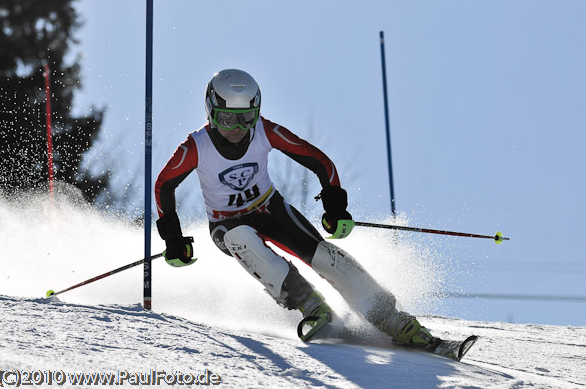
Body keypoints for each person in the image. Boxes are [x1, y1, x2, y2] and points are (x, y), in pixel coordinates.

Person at [154, 69, 435, 347]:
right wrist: (174, 239)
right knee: (240, 239)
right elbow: (164, 185)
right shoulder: (196, 146)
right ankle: (310, 304)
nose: (237, 128)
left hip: (269, 209)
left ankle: (390, 317)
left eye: (246, 118)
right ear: (211, 111)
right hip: (225, 224)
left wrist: (335, 208)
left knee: (325, 256)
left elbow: (318, 160)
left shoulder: (264, 131)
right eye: (227, 118)